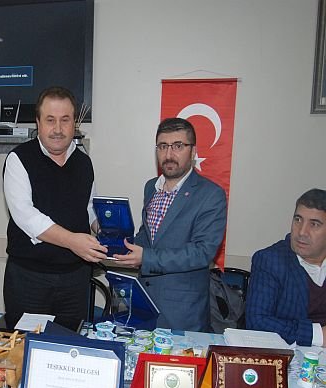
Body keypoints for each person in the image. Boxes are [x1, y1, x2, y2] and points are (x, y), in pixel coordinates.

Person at [2, 86, 107, 329]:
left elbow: (88, 207)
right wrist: (73, 241)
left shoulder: (84, 162)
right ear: (38, 123)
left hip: (76, 280)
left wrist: (105, 228)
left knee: (70, 346)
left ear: (74, 124)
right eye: (50, 120)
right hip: (29, 280)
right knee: (26, 346)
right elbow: (26, 216)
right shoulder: (18, 159)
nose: (58, 129)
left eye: (65, 120)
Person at [113, 118, 227, 331]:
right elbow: (148, 236)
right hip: (144, 304)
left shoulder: (211, 195)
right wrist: (117, 244)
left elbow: (202, 252)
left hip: (182, 313)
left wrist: (146, 258)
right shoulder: (151, 187)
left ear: (193, 152)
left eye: (178, 146)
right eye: (163, 146)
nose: (169, 154)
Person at [246, 189, 326, 346]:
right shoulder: (270, 260)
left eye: (314, 224)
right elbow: (257, 321)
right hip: (289, 354)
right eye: (298, 220)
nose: (302, 232)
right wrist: (318, 335)